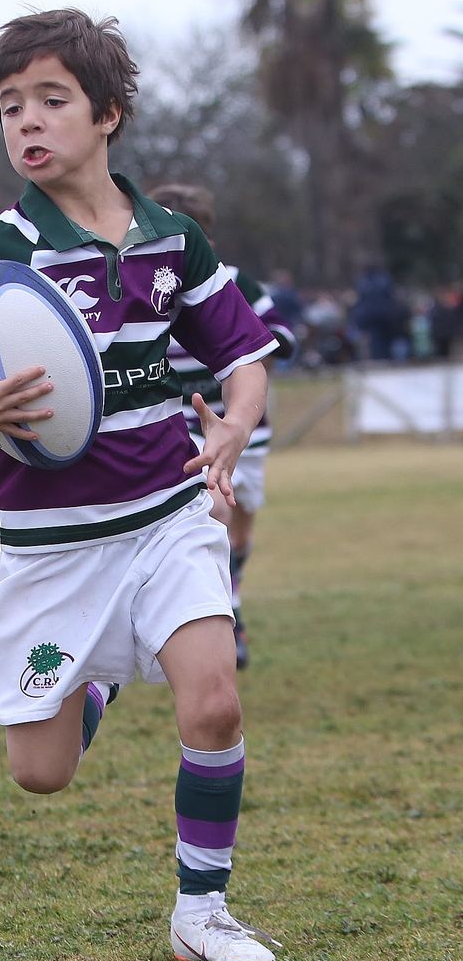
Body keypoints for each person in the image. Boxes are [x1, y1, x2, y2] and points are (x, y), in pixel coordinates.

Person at [0, 8, 281, 961]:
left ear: (108, 114)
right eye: (8, 105)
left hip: (168, 519)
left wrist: (234, 422)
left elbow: (244, 356)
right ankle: (99, 677)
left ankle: (203, 908)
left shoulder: (171, 240)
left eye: (50, 100)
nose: (26, 121)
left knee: (216, 706)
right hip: (51, 551)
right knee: (41, 772)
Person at [148, 183, 296, 669]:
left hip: (244, 427)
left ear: (201, 236)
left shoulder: (234, 282)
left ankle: (231, 590)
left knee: (243, 514)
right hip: (186, 423)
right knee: (214, 509)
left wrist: (243, 374)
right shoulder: (149, 284)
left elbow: (277, 337)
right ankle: (223, 614)